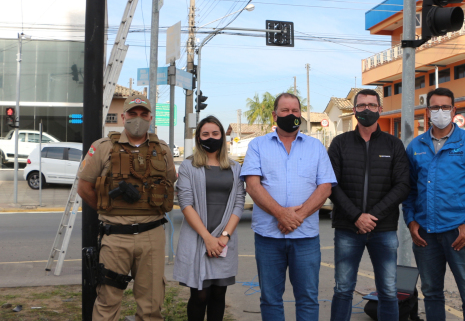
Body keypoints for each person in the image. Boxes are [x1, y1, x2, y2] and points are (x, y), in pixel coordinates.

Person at [77, 95, 177, 321]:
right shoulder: (102, 147)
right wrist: (107, 209)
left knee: (152, 305)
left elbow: (170, 182)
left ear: (151, 118)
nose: (138, 119)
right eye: (133, 114)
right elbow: (84, 188)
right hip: (116, 237)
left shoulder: (162, 149)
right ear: (123, 117)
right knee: (107, 302)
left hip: (152, 235)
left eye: (144, 114)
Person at [240, 93, 337, 321]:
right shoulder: (257, 145)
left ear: (300, 115)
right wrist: (281, 214)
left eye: (295, 111)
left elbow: (325, 188)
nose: (290, 115)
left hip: (305, 237)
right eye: (285, 111)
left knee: (307, 298)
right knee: (270, 298)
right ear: (275, 115)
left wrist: (297, 216)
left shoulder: (315, 147)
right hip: (268, 237)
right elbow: (253, 186)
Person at [403, 87, 465, 321]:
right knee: (431, 293)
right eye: (435, 107)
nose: (440, 111)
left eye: (445, 107)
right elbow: (410, 190)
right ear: (427, 112)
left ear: (454, 110)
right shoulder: (415, 147)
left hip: (460, 233)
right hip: (425, 234)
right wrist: (411, 222)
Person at [327, 88, 410, 321]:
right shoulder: (339, 143)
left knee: (388, 291)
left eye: (371, 105)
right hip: (347, 228)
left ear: (380, 110)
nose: (366, 109)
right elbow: (331, 184)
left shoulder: (394, 145)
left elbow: (403, 185)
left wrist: (372, 216)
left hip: (382, 229)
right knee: (343, 289)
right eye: (361, 105)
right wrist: (356, 216)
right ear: (354, 111)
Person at [173, 116, 246, 321]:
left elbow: (239, 203)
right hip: (198, 238)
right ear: (198, 138)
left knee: (218, 293)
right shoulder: (188, 166)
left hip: (224, 240)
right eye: (205, 134)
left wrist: (224, 236)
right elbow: (185, 204)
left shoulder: (235, 168)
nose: (211, 138)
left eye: (215, 133)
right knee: (199, 294)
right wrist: (207, 237)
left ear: (223, 137)